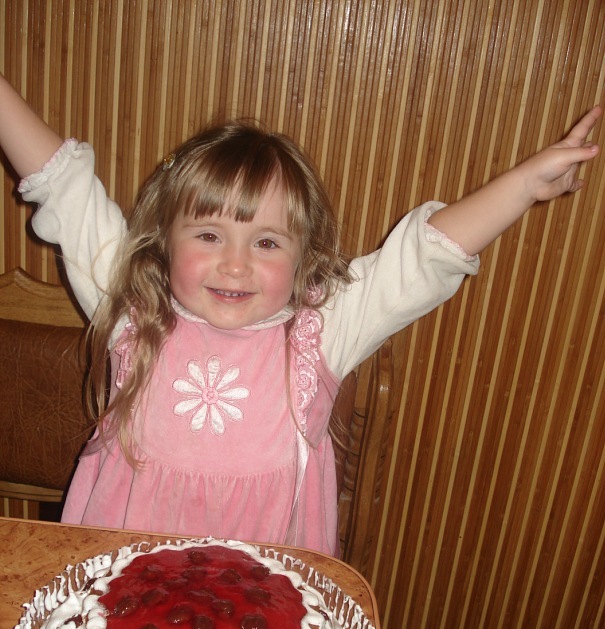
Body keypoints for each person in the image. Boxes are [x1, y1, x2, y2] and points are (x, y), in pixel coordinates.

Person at [0, 74, 600, 556]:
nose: (235, 265)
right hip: (123, 589)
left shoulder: (323, 331)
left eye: (266, 242)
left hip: (263, 606)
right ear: (163, 238)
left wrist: (523, 185)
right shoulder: (133, 304)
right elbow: (67, 190)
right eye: (208, 234)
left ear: (301, 256)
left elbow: (423, 256)